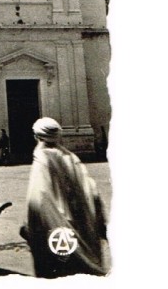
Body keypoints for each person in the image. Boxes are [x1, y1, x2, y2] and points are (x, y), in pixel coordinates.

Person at [20, 117, 107, 278]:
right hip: (78, 226)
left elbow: (38, 199)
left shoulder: (41, 158)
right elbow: (93, 192)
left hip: (53, 229)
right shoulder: (71, 157)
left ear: (37, 137)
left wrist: (30, 225)